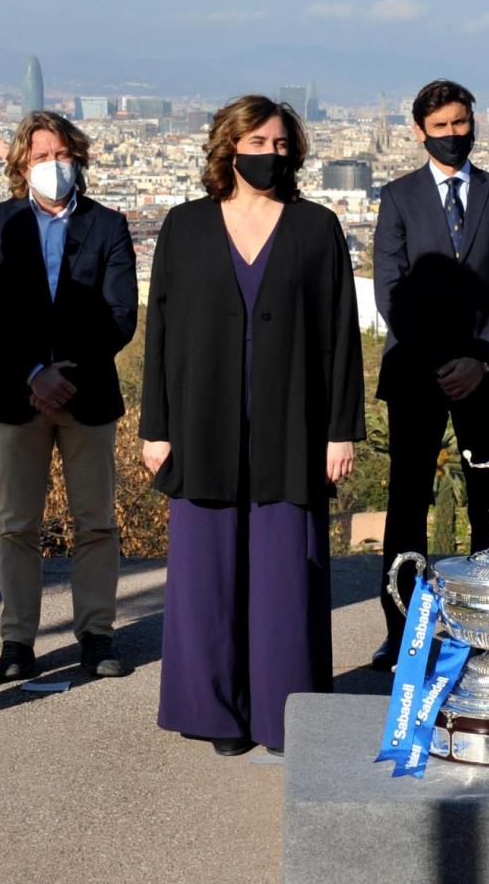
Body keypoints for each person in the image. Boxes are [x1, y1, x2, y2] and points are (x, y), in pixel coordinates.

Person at [140, 96, 363, 756]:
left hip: (291, 428)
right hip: (201, 426)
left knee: (282, 579)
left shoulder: (316, 228)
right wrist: (157, 427)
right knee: (204, 580)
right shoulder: (184, 227)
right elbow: (160, 336)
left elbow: (342, 336)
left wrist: (341, 430)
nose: (270, 154)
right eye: (257, 142)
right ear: (227, 147)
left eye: (280, 144)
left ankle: (282, 716)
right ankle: (215, 716)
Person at [0, 111, 139, 684]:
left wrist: (66, 373)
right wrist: (35, 371)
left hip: (87, 396)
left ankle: (97, 632)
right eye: (41, 157)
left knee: (95, 522)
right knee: (17, 525)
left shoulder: (108, 226)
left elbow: (119, 317)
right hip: (18, 396)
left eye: (62, 155)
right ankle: (17, 640)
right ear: (21, 164)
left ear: (79, 158)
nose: (53, 166)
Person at [367, 78, 489, 668]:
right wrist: (442, 360)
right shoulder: (399, 197)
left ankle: (486, 623)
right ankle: (403, 627)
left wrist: (481, 357)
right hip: (418, 371)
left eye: (461, 123)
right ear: (419, 132)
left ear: (474, 122)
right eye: (440, 127)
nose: (453, 135)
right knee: (408, 501)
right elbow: (392, 287)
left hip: (487, 370)